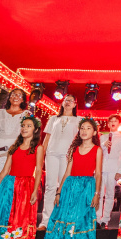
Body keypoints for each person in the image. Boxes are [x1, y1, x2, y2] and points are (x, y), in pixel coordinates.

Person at [43, 118, 103, 239]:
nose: (84, 131)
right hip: (69, 188)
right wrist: (59, 191)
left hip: (86, 188)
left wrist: (96, 193)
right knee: (65, 223)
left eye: (88, 128)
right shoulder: (74, 148)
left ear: (94, 132)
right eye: (82, 128)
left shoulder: (97, 149)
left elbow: (97, 173)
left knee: (81, 223)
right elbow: (67, 172)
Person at [39, 95, 82, 230]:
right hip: (51, 154)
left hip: (67, 156)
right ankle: (46, 221)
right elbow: (47, 139)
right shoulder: (53, 119)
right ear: (62, 103)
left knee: (64, 187)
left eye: (71, 100)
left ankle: (62, 219)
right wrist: (41, 155)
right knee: (50, 186)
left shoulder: (79, 120)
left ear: (75, 104)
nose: (68, 102)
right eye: (66, 100)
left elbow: (81, 140)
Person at [0, 88, 27, 181]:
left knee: (5, 179)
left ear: (23, 100)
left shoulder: (26, 114)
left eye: (19, 95)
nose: (16, 96)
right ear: (9, 98)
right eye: (13, 94)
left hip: (13, 150)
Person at [98, 114, 121, 229]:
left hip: (113, 168)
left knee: (110, 194)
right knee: (99, 193)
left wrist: (119, 171)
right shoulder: (102, 137)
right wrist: (103, 146)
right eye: (111, 121)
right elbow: (98, 152)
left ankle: (105, 220)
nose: (113, 123)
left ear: (119, 124)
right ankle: (97, 218)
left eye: (115, 121)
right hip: (101, 168)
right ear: (108, 123)